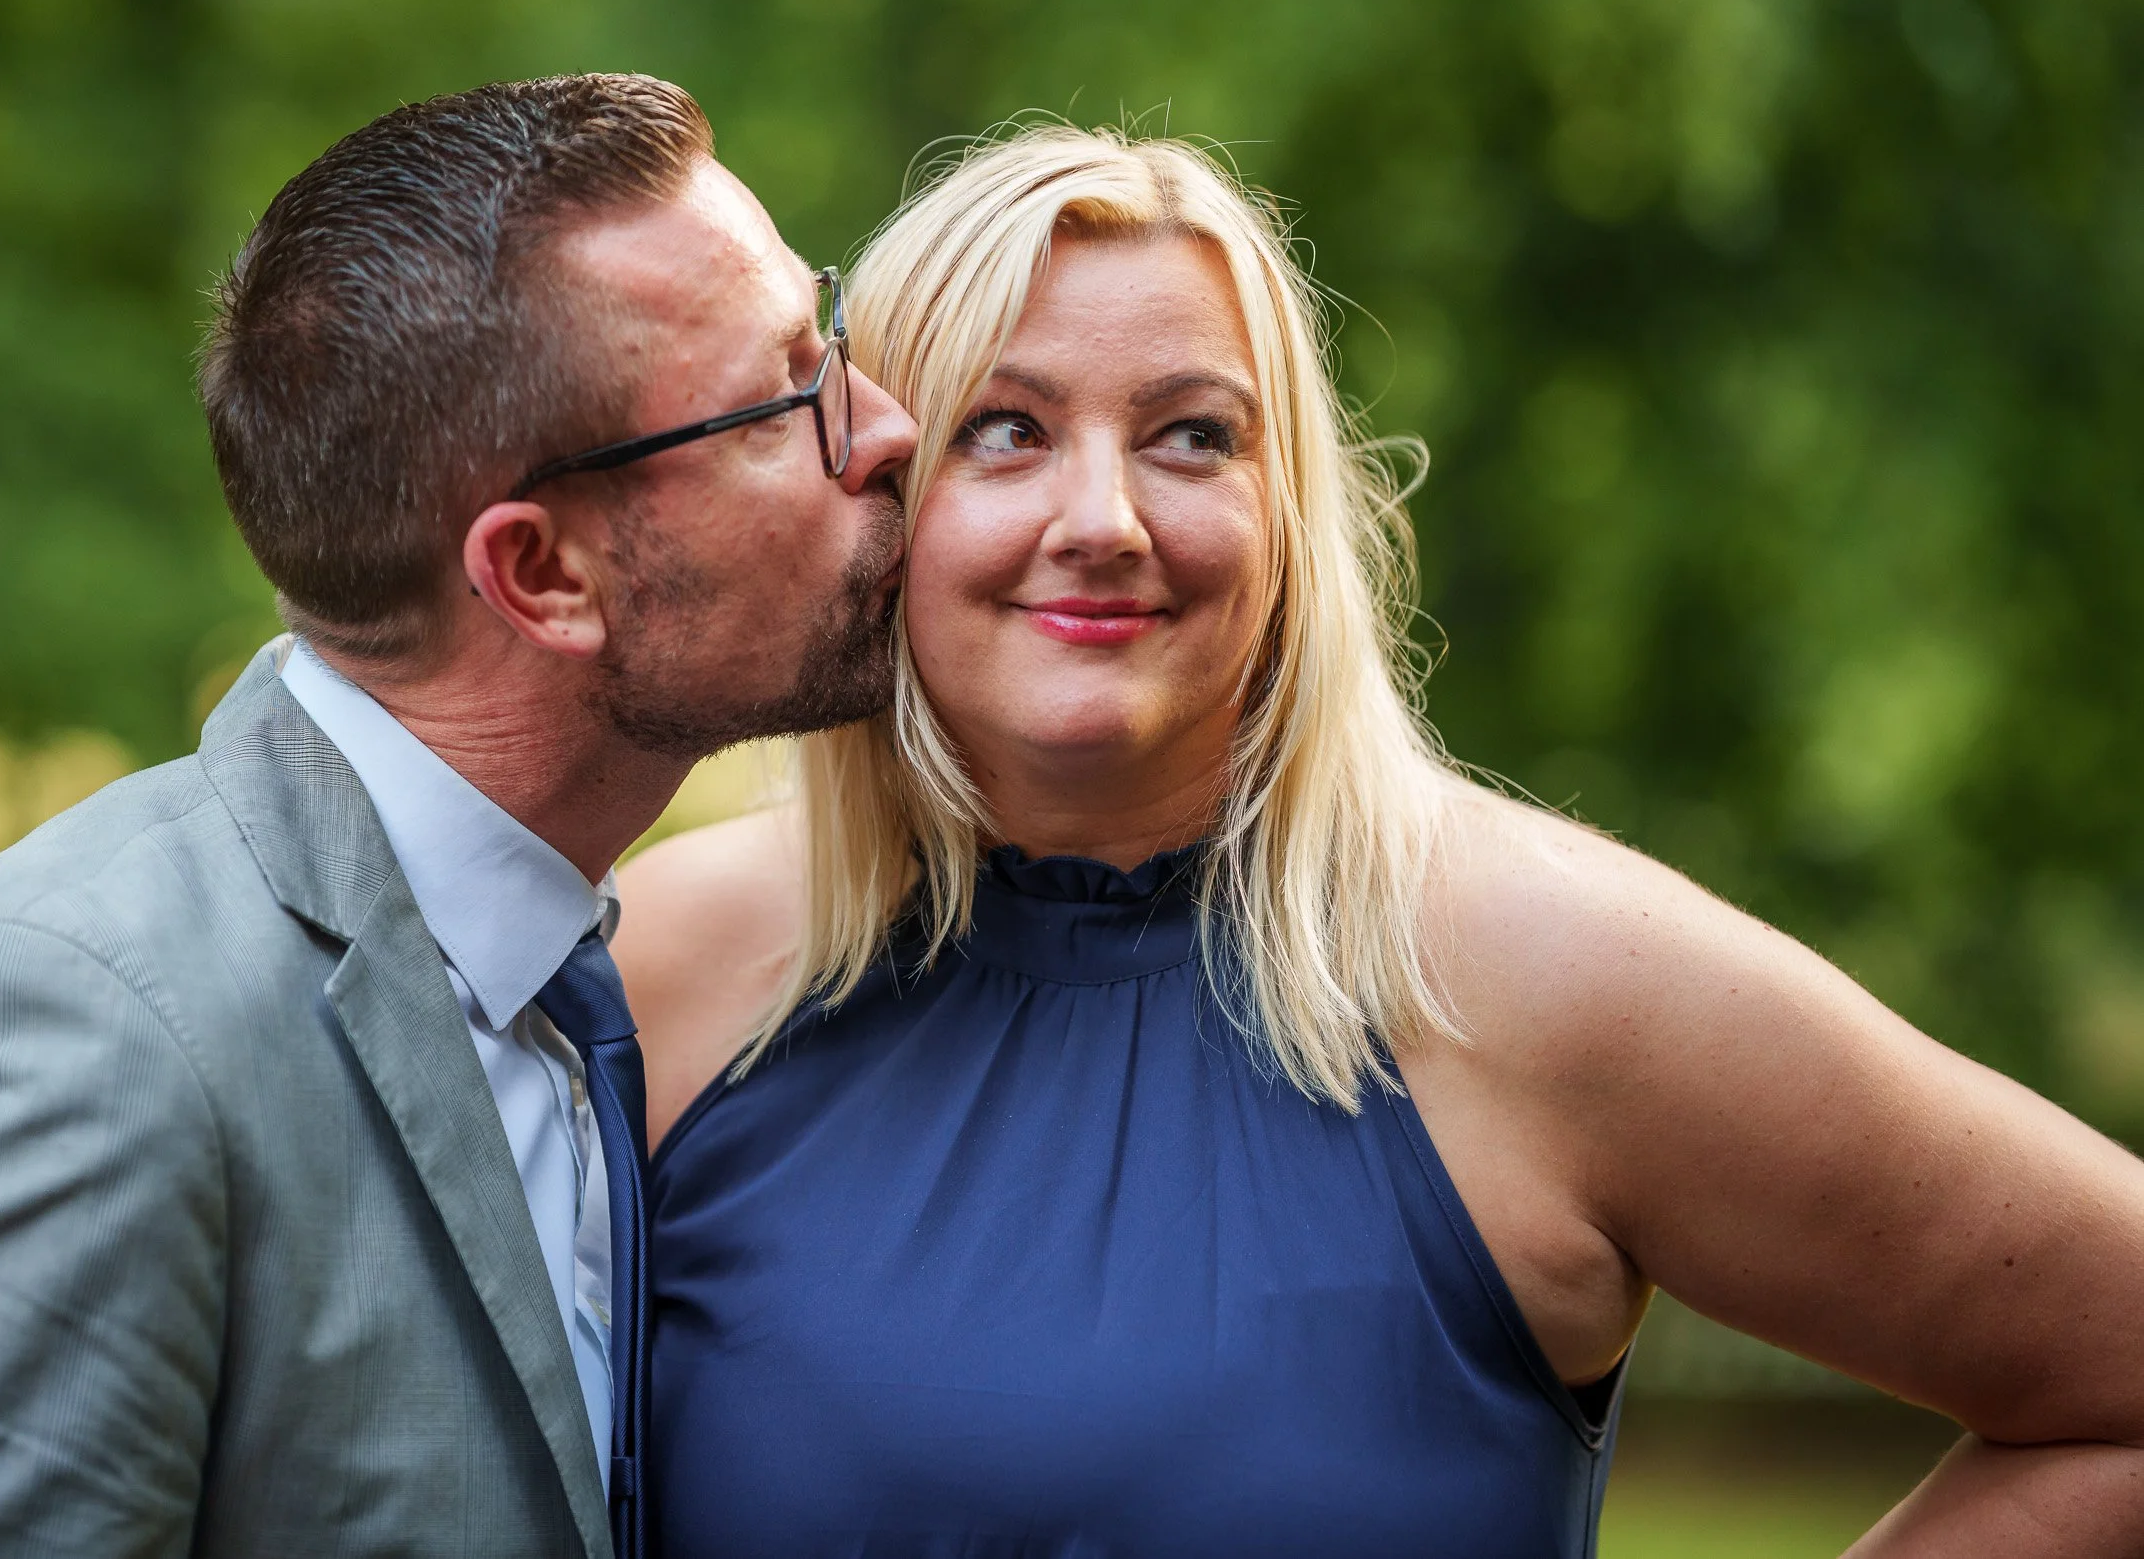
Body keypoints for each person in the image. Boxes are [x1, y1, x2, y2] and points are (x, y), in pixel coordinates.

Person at [615, 125, 2144, 1556]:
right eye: (1003, 430)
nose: (1105, 517)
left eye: (1193, 436)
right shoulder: (650, 970)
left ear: (1292, 513)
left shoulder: (1544, 973)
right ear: (879, 486)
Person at [0, 74, 916, 1559]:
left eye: (828, 335)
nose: (889, 425)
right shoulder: (57, 1034)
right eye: (791, 395)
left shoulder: (568, 992)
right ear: (542, 576)